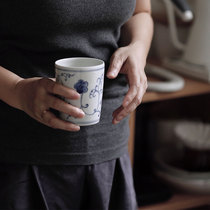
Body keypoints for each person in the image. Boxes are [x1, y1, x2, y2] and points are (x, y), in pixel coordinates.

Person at [0, 0, 153, 209]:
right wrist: (16, 89)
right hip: (21, 154)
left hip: (108, 147)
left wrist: (138, 47)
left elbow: (140, 12)